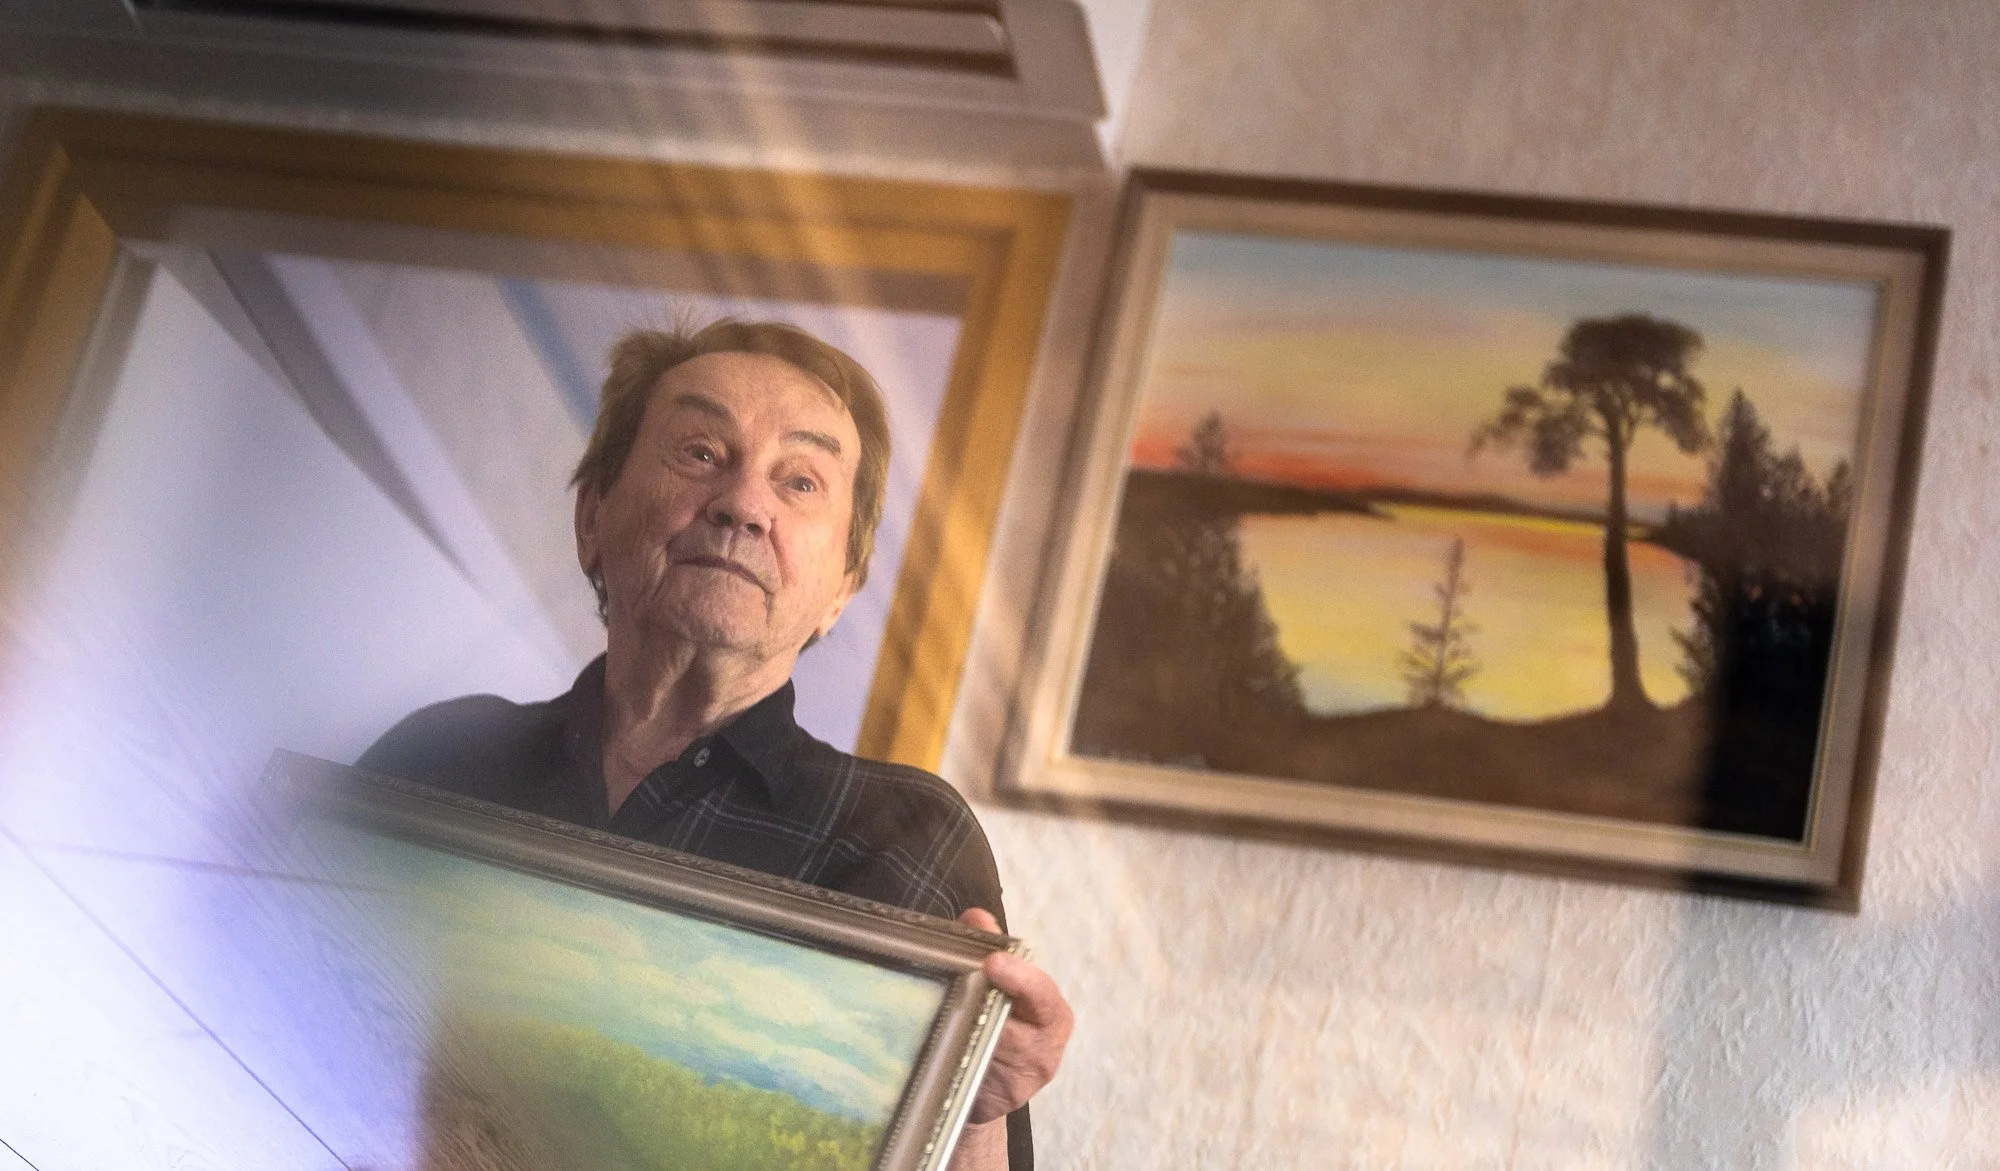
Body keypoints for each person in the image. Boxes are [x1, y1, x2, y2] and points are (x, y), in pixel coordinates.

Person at [359, 319, 1069, 1170]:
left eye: (801, 480)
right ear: (593, 516)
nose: (744, 504)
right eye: (700, 452)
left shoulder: (903, 837)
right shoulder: (440, 754)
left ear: (842, 587)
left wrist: (974, 1108)